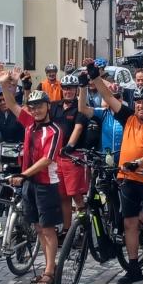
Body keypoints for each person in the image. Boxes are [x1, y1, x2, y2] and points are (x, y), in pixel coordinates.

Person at [91, 63, 143, 284]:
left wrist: (139, 162)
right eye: (139, 102)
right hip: (128, 179)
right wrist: (95, 77)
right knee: (129, 223)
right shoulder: (128, 117)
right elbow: (107, 96)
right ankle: (134, 268)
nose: (141, 106)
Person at [0, 65, 63, 284]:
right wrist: (5, 84)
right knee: (37, 228)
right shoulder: (29, 125)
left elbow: (47, 160)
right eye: (33, 107)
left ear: (47, 106)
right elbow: (12, 104)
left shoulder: (53, 130)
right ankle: (46, 267)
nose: (35, 110)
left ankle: (51, 270)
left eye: (40, 106)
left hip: (45, 184)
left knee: (48, 229)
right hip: (29, 184)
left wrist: (23, 174)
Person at [52, 74, 90, 235]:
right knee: (62, 196)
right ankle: (67, 230)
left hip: (73, 156)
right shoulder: (55, 106)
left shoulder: (80, 108)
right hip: (56, 156)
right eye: (66, 88)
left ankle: (83, 229)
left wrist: (69, 146)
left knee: (76, 195)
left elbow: (78, 128)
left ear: (76, 90)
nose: (68, 91)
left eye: (71, 89)